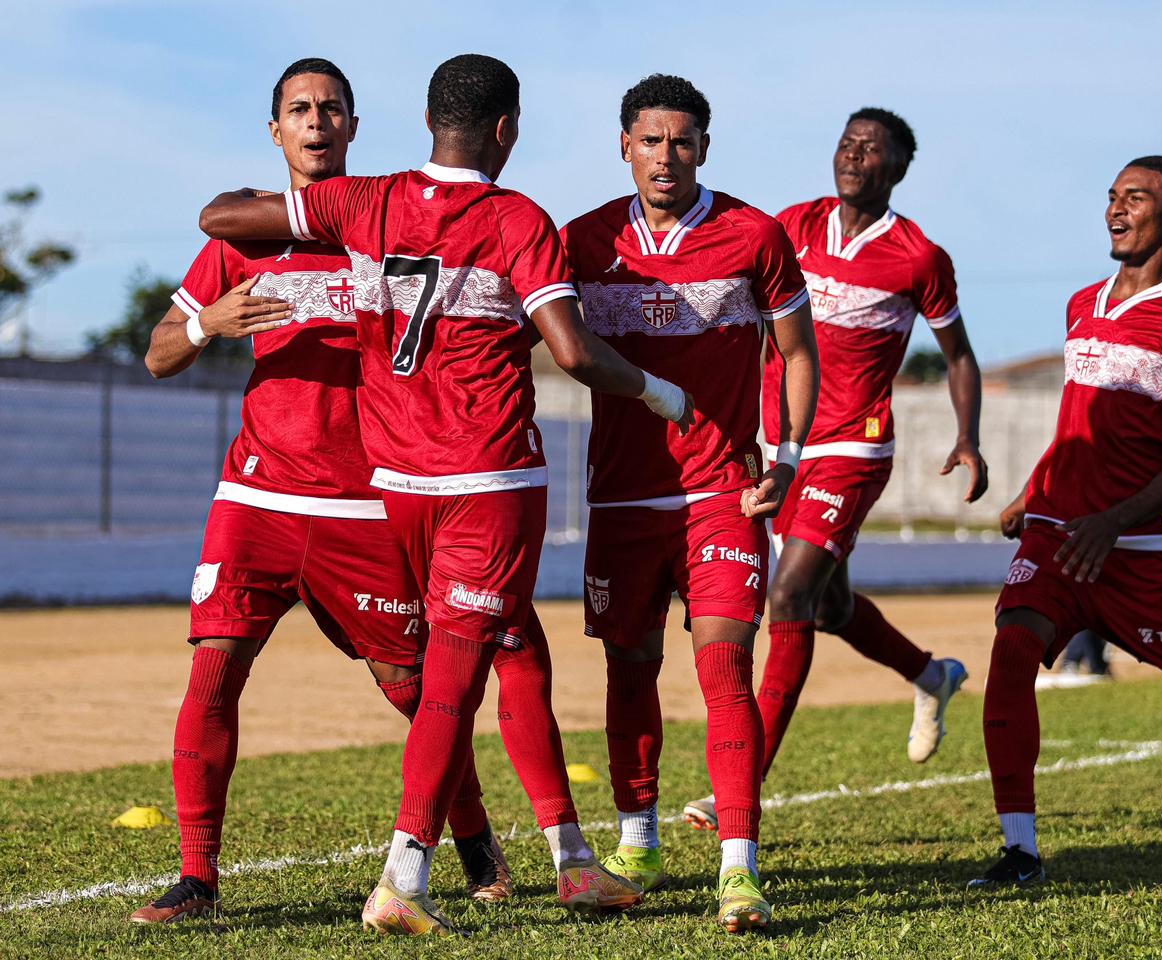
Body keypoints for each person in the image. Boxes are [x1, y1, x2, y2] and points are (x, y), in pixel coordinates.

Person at [199, 54, 694, 935]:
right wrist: (662, 394)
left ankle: (572, 859)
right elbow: (573, 352)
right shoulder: (516, 218)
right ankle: (405, 876)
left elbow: (219, 215)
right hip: (487, 479)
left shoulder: (366, 200)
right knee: (452, 682)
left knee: (518, 648)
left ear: (430, 121)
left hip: (398, 484)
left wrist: (295, 213)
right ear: (506, 128)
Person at [129, 58, 510, 924]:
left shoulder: (384, 226)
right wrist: (207, 322)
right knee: (214, 672)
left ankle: (473, 832)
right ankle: (197, 876)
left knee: (413, 689)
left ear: (354, 128)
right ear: (276, 131)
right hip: (257, 498)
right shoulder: (239, 242)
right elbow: (157, 353)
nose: (316, 121)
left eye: (332, 108)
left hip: (366, 502)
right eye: (299, 109)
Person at [972, 156, 1162, 888]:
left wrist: (1112, 522)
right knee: (1012, 652)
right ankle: (1021, 851)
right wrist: (1032, 491)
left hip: (1145, 554)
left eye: (1135, 199)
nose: (1116, 210)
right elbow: (1078, 422)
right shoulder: (1082, 303)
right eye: (1112, 197)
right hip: (1058, 535)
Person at [560, 74, 819, 933]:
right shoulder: (582, 241)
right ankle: (637, 845)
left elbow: (798, 351)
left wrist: (788, 456)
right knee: (629, 666)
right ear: (624, 147)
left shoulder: (755, 235)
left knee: (724, 666)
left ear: (704, 147)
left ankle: (739, 869)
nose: (665, 156)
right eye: (650, 140)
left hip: (721, 493)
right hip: (622, 499)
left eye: (681, 141)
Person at [682, 107, 985, 835]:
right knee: (829, 608)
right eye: (847, 143)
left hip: (854, 446)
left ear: (898, 168)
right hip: (782, 446)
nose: (853, 155)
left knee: (788, 595)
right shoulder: (792, 226)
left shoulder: (919, 257)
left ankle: (742, 787)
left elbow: (959, 356)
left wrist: (969, 438)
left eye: (870, 149)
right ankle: (931, 675)